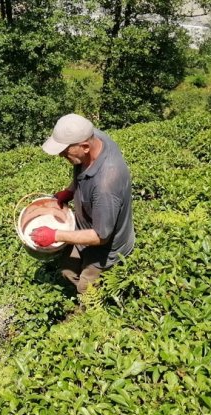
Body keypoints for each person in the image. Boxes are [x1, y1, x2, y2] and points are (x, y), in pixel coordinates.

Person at [30, 113, 135, 294]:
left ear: (85, 146)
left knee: (85, 287)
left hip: (106, 248)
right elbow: (83, 171)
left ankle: (90, 311)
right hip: (84, 225)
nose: (61, 155)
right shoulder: (93, 137)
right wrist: (70, 191)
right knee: (66, 271)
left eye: (65, 151)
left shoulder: (106, 185)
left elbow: (101, 237)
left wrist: (55, 235)